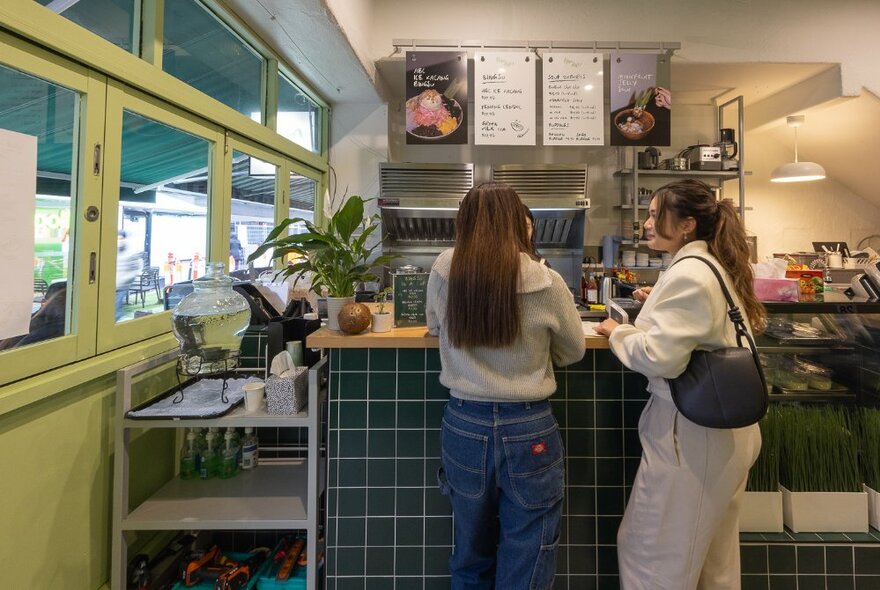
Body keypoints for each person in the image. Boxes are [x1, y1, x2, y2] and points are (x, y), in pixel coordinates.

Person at [594, 179, 764, 590]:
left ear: (687, 224)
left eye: (655, 214)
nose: (646, 223)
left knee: (653, 559)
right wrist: (657, 300)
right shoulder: (705, 266)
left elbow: (659, 358)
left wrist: (618, 332)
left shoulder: (689, 273)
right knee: (711, 565)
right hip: (721, 435)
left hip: (693, 436)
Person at [425, 182, 585, 590]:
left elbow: (434, 327)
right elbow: (574, 349)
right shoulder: (546, 280)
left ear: (464, 222)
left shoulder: (444, 268)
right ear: (521, 222)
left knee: (470, 548)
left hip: (464, 424)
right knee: (530, 549)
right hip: (529, 428)